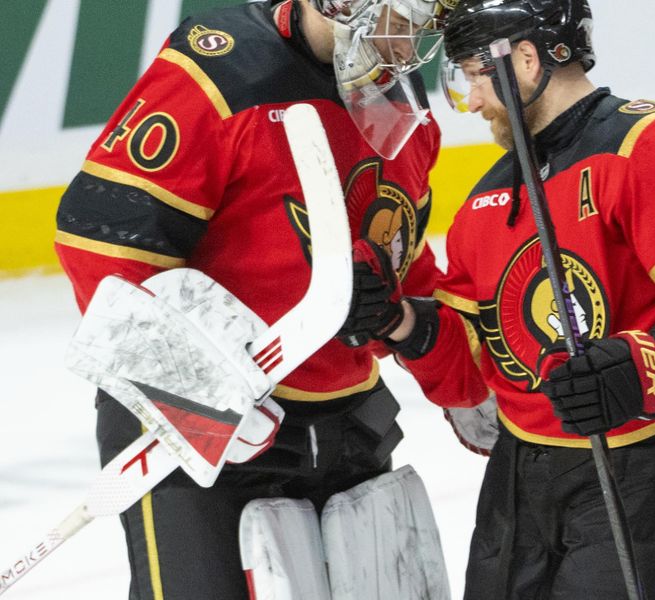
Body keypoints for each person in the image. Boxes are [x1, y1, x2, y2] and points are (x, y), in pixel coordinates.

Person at [337, 0, 655, 598]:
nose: (469, 100)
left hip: (642, 462)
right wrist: (399, 321)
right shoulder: (487, 199)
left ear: (523, 58)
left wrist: (640, 361)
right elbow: (473, 364)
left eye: (471, 73)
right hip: (520, 472)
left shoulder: (648, 145)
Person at [54, 0, 446, 597]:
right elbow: (99, 235)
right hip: (200, 439)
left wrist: (418, 325)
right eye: (400, 15)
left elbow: (403, 254)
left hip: (347, 426)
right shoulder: (223, 72)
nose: (413, 42)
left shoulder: (392, 97)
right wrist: (193, 397)